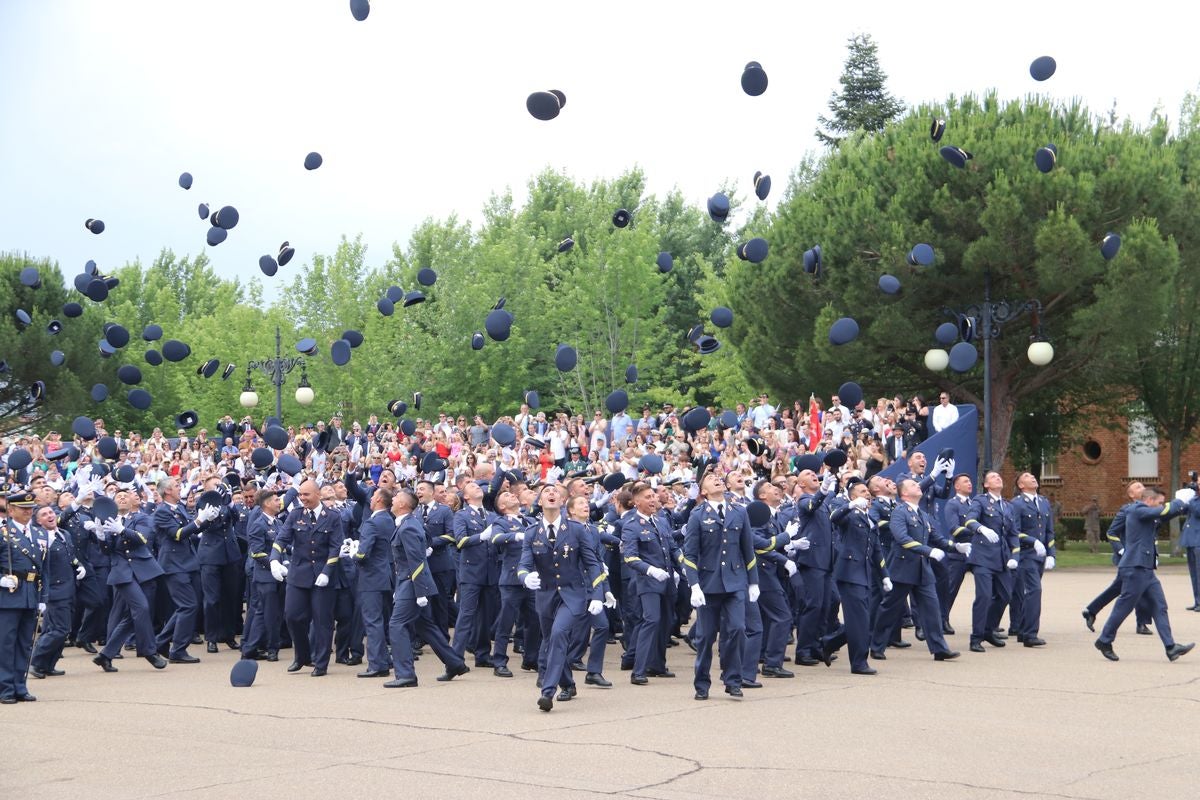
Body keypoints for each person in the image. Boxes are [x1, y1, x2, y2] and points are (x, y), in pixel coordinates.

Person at [517, 483, 605, 712]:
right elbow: (524, 564)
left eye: (555, 491)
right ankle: (568, 683)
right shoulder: (531, 533)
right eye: (546, 491)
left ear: (563, 501)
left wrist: (598, 594)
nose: (552, 493)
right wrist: (525, 577)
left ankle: (548, 691)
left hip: (572, 594)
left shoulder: (576, 529)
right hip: (545, 595)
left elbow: (592, 564)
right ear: (539, 501)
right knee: (553, 640)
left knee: (558, 634)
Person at [682, 469, 759, 699]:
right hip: (708, 584)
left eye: (718, 477)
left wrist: (753, 581)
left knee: (737, 629)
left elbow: (748, 549)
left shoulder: (739, 512)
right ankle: (702, 684)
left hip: (735, 582)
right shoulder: (697, 515)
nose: (717, 479)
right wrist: (694, 585)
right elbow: (690, 554)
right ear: (703, 491)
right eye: (710, 479)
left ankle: (732, 679)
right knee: (705, 637)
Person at [1094, 487, 1195, 662]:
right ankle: (1104, 640)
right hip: (1135, 567)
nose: (1161, 505)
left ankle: (1170, 647)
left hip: (1145, 568)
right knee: (1124, 606)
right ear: (1149, 500)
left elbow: (1167, 513)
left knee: (1159, 606)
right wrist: (1178, 500)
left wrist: (1187, 501)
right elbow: (1164, 510)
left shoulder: (1148, 514)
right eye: (1159, 502)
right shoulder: (1137, 509)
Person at [383, 488, 469, 688]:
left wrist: (419, 592)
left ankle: (406, 674)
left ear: (403, 505)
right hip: (411, 583)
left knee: (397, 625)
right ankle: (455, 663)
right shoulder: (409, 523)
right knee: (425, 626)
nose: (393, 500)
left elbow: (417, 560)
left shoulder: (408, 526)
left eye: (396, 498)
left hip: (413, 584)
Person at [868, 478, 960, 662]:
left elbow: (937, 539)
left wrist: (957, 547)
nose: (918, 485)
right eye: (912, 485)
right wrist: (928, 551)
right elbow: (902, 538)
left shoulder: (923, 514)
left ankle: (939, 648)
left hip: (922, 570)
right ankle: (876, 645)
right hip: (902, 568)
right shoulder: (899, 512)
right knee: (889, 608)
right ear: (904, 494)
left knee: (931, 609)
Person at [271, 478, 344, 676]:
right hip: (299, 574)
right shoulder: (295, 515)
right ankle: (302, 656)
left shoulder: (333, 516)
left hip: (322, 576)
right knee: (292, 616)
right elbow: (281, 539)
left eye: (306, 494)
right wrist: (274, 560)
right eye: (300, 494)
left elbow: (336, 546)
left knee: (322, 621)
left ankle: (321, 663)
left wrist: (327, 572)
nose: (302, 498)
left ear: (318, 495)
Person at [93, 486, 168, 673]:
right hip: (123, 573)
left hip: (145, 570)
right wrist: (102, 536)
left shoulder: (141, 517)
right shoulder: (109, 521)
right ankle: (150, 652)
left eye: (125, 496)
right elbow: (107, 551)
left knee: (132, 616)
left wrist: (122, 530)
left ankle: (105, 655)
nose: (123, 499)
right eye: (118, 497)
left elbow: (142, 539)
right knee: (141, 608)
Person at [825, 478, 887, 674]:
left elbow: (876, 550)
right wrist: (850, 505)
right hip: (849, 573)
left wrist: (884, 575)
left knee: (861, 618)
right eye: (862, 492)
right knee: (860, 619)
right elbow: (834, 517)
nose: (867, 494)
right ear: (852, 496)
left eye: (867, 491)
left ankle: (828, 643)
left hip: (865, 573)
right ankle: (859, 662)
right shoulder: (849, 514)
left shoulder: (870, 518)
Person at [151, 478, 216, 664]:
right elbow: (178, 534)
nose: (181, 489)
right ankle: (178, 649)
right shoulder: (161, 512)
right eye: (177, 486)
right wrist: (198, 520)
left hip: (188, 563)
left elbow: (191, 530)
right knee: (188, 606)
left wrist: (207, 520)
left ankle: (161, 642)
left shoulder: (177, 508)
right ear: (168, 491)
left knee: (186, 606)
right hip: (173, 564)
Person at [962, 472, 1019, 652]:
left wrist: (1015, 556)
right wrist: (981, 528)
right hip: (982, 556)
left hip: (1001, 558)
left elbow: (1013, 534)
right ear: (986, 485)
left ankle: (988, 629)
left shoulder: (1007, 506)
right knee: (984, 596)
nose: (998, 478)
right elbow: (969, 520)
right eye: (993, 477)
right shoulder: (980, 501)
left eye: (999, 477)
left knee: (1005, 595)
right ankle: (976, 637)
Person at [1, 490, 47, 702]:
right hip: (8, 594)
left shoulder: (39, 533)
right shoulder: (3, 533)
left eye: (30, 508)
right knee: (6, 643)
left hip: (31, 592)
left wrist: (43, 597)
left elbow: (45, 569)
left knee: (25, 643)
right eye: (23, 508)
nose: (28, 512)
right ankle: (5, 688)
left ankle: (20, 685)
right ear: (11, 510)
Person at [29, 504, 82, 678]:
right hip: (55, 589)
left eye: (51, 512)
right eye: (44, 514)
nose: (49, 516)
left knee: (58, 629)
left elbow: (70, 556)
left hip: (70, 587)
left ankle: (48, 664)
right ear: (38, 521)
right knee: (59, 629)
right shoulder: (40, 538)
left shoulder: (64, 534)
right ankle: (36, 662)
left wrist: (79, 566)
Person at [351, 486, 395, 678]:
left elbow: (363, 553)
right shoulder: (389, 520)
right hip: (386, 575)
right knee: (381, 620)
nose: (370, 499)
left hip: (371, 577)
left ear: (378, 500)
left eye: (373, 496)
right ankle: (384, 660)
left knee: (372, 622)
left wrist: (353, 553)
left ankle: (377, 664)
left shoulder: (372, 522)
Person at [242, 488, 286, 662]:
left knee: (268, 613)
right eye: (276, 500)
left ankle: (251, 648)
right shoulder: (258, 524)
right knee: (268, 613)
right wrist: (274, 564)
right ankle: (271, 648)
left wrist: (286, 563)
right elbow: (257, 552)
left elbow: (285, 547)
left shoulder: (278, 523)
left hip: (280, 574)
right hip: (266, 575)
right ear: (267, 503)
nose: (279, 503)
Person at [1011, 472, 1055, 647]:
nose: (1033, 478)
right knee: (1035, 591)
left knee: (1029, 593)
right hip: (1026, 555)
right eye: (1028, 477)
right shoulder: (1017, 503)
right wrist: (1032, 541)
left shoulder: (1044, 502)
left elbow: (1049, 531)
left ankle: (1022, 630)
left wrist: (1051, 553)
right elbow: (1014, 531)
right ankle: (1030, 634)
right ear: (1021, 485)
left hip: (1040, 556)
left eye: (1033, 476)